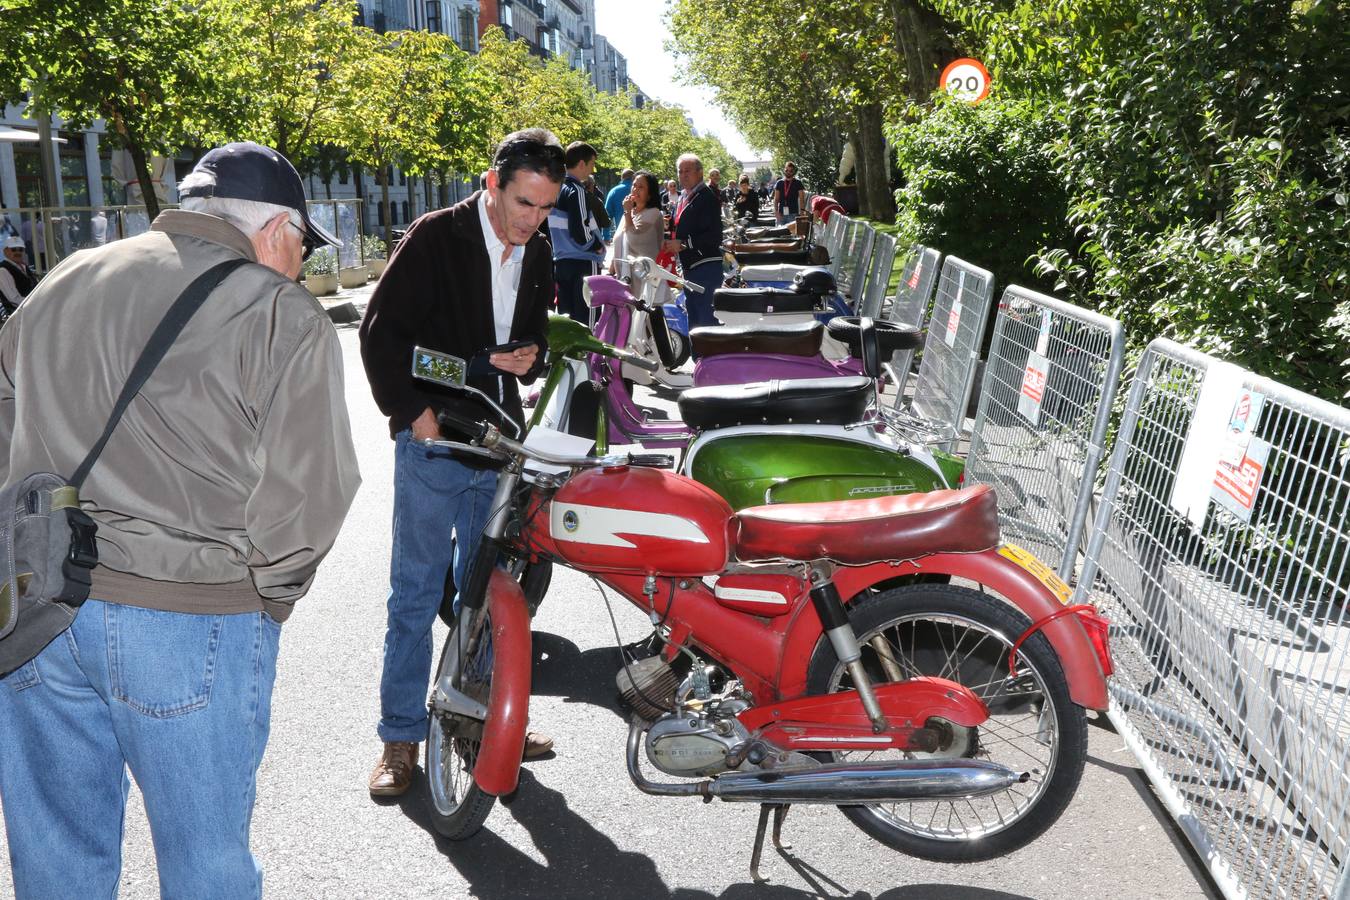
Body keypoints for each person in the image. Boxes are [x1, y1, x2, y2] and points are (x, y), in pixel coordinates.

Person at [0, 141, 360, 897]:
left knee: (57, 861)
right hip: (190, 615)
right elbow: (312, 494)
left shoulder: (66, 277)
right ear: (277, 230)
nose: (297, 263)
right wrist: (268, 596)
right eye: (300, 245)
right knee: (206, 866)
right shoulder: (276, 307)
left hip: (38, 612)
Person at [359, 128, 564, 799]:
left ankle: (485, 724)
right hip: (436, 439)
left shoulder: (538, 250)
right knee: (415, 594)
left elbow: (534, 325)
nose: (532, 221)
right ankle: (399, 740)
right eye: (523, 204)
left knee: (489, 594)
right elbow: (382, 335)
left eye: (544, 209)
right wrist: (413, 414)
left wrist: (530, 350)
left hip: (500, 440)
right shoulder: (435, 237)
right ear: (491, 183)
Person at [662, 153, 723, 332]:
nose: (683, 175)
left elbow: (714, 237)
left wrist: (684, 243)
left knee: (705, 323)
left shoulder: (707, 197)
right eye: (680, 171)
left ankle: (709, 360)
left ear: (700, 173)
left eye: (687, 171)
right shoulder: (684, 197)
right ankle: (699, 359)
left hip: (705, 267)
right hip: (690, 267)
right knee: (694, 320)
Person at [548, 141, 606, 322]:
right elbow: (580, 231)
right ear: (582, 163)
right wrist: (595, 245)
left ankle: (571, 352)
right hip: (583, 262)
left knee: (568, 318)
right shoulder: (577, 190)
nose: (592, 169)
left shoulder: (556, 188)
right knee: (587, 319)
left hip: (562, 261)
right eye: (591, 164)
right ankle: (587, 352)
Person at [609, 171, 665, 297]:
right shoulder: (629, 213)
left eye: (641, 187)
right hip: (623, 278)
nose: (635, 190)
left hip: (643, 279)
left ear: (650, 193)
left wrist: (627, 212)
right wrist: (611, 270)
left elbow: (633, 237)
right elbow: (619, 242)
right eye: (634, 185)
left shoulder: (654, 213)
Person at [0, 235, 35, 318]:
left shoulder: (24, 267)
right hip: (19, 316)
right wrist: (36, 304)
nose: (18, 252)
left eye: (21, 249)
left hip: (30, 311)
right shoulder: (3, 270)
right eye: (13, 249)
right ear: (6, 251)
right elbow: (14, 299)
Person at [603, 168, 635, 242]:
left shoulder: (613, 191)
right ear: (634, 178)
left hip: (621, 235)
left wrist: (606, 237)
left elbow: (607, 215)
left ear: (622, 178)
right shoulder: (638, 191)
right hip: (639, 233)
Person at [772, 161, 804, 225]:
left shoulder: (798, 183)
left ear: (793, 172)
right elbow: (776, 199)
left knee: (792, 234)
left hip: (793, 214)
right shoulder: (779, 183)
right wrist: (776, 212)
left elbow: (801, 199)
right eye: (787, 170)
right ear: (784, 170)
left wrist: (802, 213)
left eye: (791, 171)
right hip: (781, 214)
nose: (788, 172)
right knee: (779, 233)